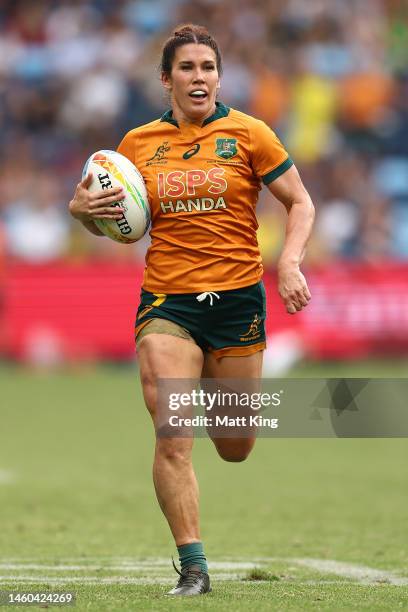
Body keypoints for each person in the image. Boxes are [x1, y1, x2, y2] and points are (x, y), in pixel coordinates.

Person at [69, 24, 315, 596]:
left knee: (234, 446)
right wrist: (80, 209)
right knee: (172, 433)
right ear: (166, 80)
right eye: (187, 68)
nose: (198, 76)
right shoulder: (134, 146)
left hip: (236, 304)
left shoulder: (250, 134)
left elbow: (300, 201)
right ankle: (194, 566)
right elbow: (116, 226)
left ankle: (210, 380)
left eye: (207, 67)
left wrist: (290, 262)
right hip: (168, 302)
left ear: (219, 77)